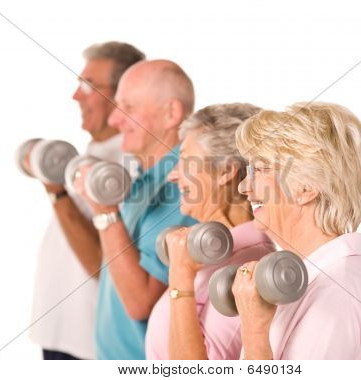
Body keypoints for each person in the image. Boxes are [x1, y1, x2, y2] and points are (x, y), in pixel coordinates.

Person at [232, 102, 361, 359]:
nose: (243, 187)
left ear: (306, 188)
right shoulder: (312, 277)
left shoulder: (338, 292)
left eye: (260, 170)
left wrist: (254, 331)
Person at [29, 42, 145, 360]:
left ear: (123, 94)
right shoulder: (91, 155)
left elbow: (103, 265)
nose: (76, 95)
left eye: (88, 85)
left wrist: (56, 191)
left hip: (89, 346)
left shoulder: (131, 166)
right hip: (57, 336)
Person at [74, 59, 197, 359]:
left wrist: (105, 212)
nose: (115, 120)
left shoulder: (187, 187)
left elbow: (140, 302)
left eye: (127, 107)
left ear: (171, 113)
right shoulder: (143, 177)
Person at [145, 103, 275, 360]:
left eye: (184, 160)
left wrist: (180, 277)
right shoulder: (203, 256)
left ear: (226, 171)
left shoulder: (249, 268)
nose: (173, 175)